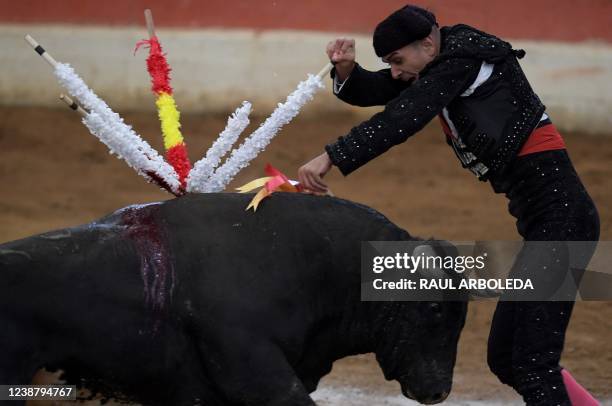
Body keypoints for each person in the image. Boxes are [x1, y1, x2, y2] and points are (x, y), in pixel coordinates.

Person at [297, 4, 601, 406]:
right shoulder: (438, 61)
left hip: (564, 225)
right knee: (508, 359)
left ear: (426, 43)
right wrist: (348, 72)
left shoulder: (461, 62)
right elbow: (382, 90)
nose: (396, 71)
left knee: (530, 362)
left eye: (398, 60)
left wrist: (331, 156)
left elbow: (400, 119)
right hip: (551, 226)